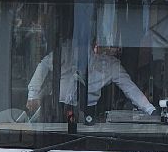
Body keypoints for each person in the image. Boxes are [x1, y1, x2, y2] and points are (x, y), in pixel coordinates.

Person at [25, 41, 155, 119]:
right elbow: (44, 65)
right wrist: (32, 95)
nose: (111, 49)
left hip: (88, 113)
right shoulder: (69, 50)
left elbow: (130, 88)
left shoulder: (112, 65)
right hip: (58, 109)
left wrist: (150, 110)